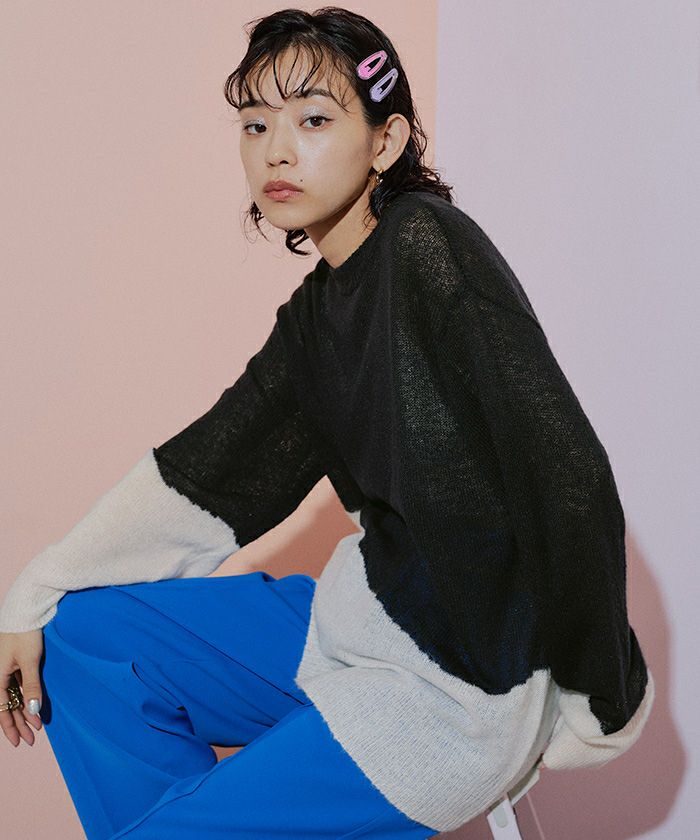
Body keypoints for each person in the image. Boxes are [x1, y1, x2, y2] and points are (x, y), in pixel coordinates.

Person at [0, 7, 655, 839]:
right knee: (85, 638)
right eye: (255, 125)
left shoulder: (430, 249)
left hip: (456, 694)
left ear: (385, 141)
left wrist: (601, 694)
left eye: (314, 120)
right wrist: (31, 596)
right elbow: (212, 471)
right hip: (357, 626)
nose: (277, 150)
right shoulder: (317, 315)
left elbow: (565, 471)